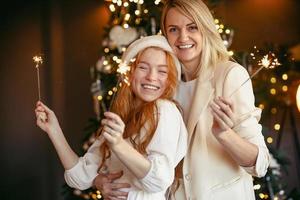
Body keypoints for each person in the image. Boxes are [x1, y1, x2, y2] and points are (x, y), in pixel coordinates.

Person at [94, 0, 270, 199]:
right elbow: (130, 146)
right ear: (165, 35)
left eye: (192, 27)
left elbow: (260, 164)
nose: (183, 37)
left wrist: (225, 135)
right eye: (174, 29)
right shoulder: (161, 82)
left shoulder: (230, 75)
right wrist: (99, 180)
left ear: (205, 29)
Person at [35, 35, 188, 200]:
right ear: (129, 72)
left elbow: (159, 180)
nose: (152, 77)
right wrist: (54, 130)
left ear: (169, 78)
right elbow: (80, 177)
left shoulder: (165, 110)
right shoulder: (120, 117)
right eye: (143, 67)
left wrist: (119, 144)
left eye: (162, 71)